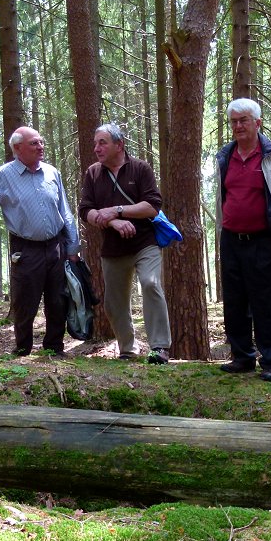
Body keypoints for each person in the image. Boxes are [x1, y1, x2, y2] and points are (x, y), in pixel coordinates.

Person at [0, 126, 80, 357]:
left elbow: (65, 212)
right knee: (25, 303)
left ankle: (54, 348)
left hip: (57, 247)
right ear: (17, 148)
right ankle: (23, 350)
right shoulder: (4, 176)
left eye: (41, 142)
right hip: (25, 249)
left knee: (58, 300)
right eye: (34, 143)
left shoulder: (52, 173)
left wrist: (73, 246)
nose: (41, 147)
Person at [213, 98, 271, 382]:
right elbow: (222, 197)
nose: (238, 126)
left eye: (244, 120)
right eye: (234, 121)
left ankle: (270, 360)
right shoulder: (225, 156)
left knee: (264, 300)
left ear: (257, 123)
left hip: (263, 240)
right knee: (234, 300)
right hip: (231, 239)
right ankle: (242, 357)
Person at [80, 123, 171, 364]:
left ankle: (159, 348)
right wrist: (113, 222)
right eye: (95, 143)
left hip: (145, 243)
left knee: (150, 284)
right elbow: (85, 210)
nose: (97, 148)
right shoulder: (93, 173)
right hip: (113, 248)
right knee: (114, 301)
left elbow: (152, 206)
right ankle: (127, 350)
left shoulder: (140, 168)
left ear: (119, 145)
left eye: (103, 142)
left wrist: (118, 211)